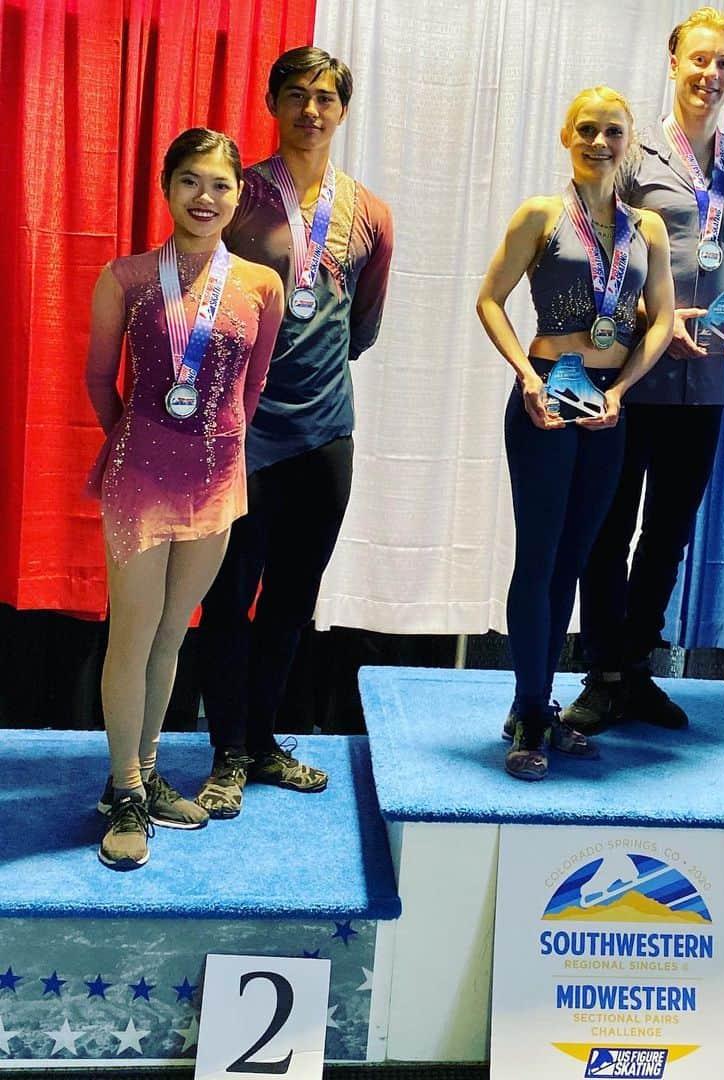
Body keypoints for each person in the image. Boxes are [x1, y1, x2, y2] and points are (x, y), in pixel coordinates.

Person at [565, 7, 724, 734]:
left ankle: (636, 667)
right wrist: (651, 322)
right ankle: (601, 671)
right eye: (699, 59)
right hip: (627, 376)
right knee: (607, 524)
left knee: (670, 533)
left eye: (723, 62)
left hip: (706, 387)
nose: (710, 74)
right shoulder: (630, 156)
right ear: (673, 61)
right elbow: (592, 253)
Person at [195, 47, 393, 818]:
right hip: (241, 436)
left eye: (326, 98)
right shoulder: (235, 198)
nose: (313, 110)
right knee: (230, 597)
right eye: (298, 95)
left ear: (342, 111)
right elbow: (200, 304)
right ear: (274, 103)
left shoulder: (370, 211)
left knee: (291, 600)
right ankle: (225, 754)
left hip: (325, 436)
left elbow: (363, 325)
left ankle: (267, 741)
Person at [85, 128, 284, 869]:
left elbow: (253, 384)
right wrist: (139, 442)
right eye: (191, 182)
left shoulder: (262, 285)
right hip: (140, 474)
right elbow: (97, 377)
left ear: (239, 195)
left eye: (221, 185)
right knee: (131, 636)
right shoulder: (128, 276)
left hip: (216, 476)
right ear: (167, 188)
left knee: (173, 633)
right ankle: (125, 789)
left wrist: (212, 444)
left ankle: (145, 767)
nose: (206, 198)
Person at [476, 86, 674, 780]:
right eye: (587, 129)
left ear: (629, 142)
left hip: (605, 404)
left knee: (576, 560)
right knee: (538, 556)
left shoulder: (646, 230)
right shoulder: (541, 215)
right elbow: (489, 299)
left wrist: (621, 390)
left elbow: (659, 322)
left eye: (613, 131)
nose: (599, 141)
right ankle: (529, 711)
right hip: (546, 392)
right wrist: (526, 378)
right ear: (567, 135)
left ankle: (542, 701)